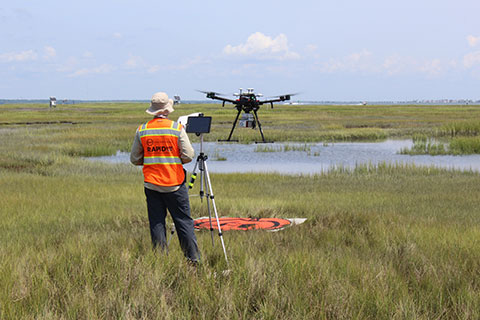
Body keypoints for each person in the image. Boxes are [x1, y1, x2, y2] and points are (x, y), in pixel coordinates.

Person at [130, 92, 200, 263]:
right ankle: (193, 261)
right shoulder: (176, 128)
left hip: (152, 185)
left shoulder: (143, 130)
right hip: (174, 183)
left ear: (153, 110)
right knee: (183, 222)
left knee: (157, 223)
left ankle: (161, 262)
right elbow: (189, 155)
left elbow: (135, 159)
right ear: (168, 110)